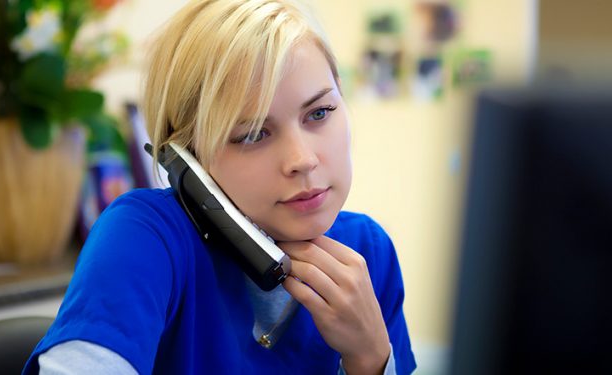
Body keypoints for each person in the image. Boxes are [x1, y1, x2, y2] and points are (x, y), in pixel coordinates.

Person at [23, 0, 417, 373]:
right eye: (253, 135)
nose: (303, 159)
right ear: (188, 159)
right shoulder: (145, 236)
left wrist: (370, 357)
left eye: (319, 112)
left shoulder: (368, 252)